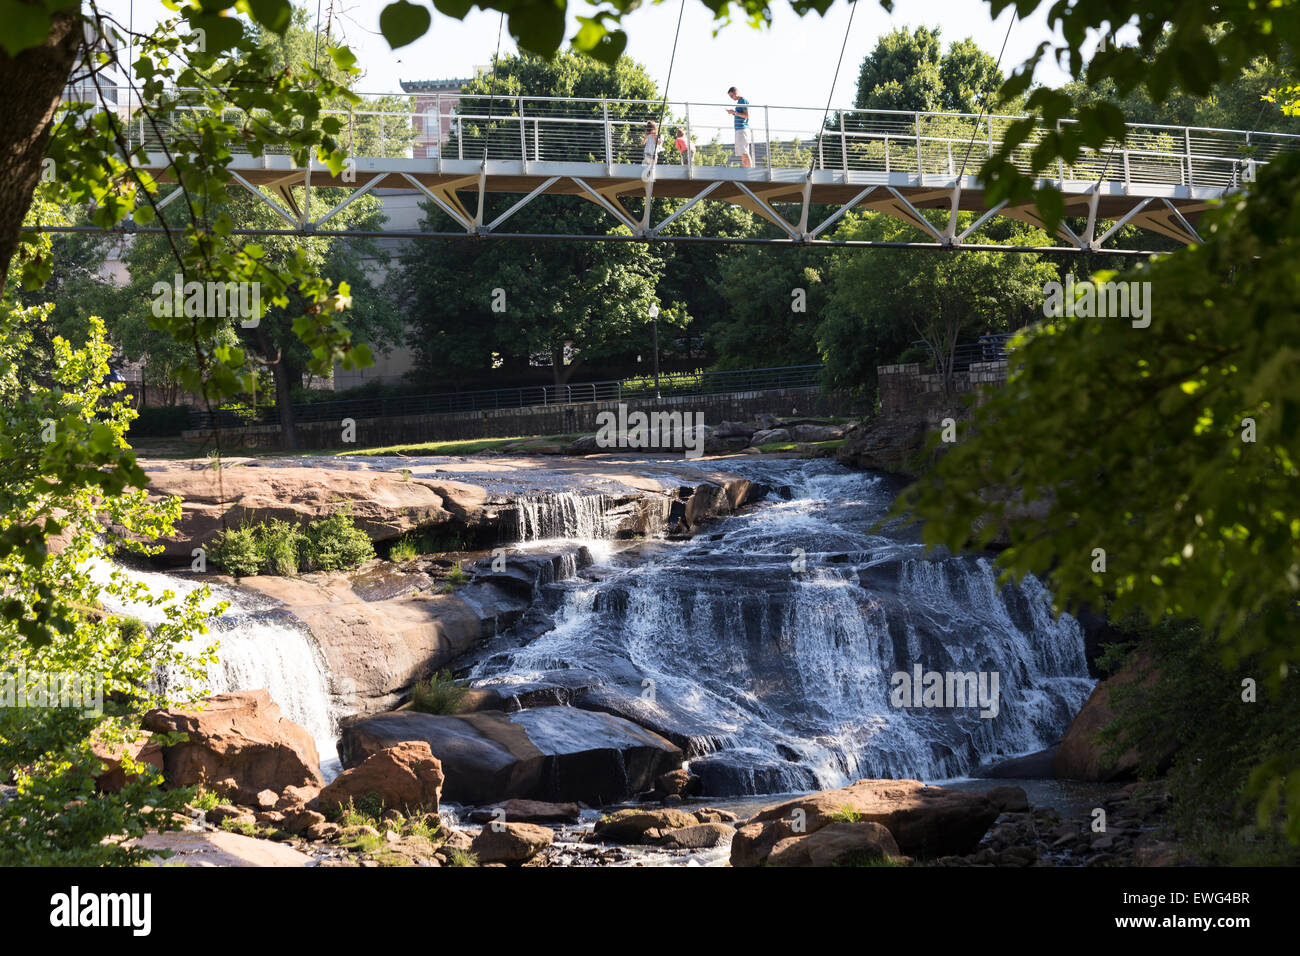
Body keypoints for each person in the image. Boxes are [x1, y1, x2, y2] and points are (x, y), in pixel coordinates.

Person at [726, 86, 752, 167]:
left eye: (731, 96)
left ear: (735, 92)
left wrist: (735, 113)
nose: (731, 98)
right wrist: (733, 113)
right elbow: (740, 115)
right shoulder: (739, 102)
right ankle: (746, 171)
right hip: (739, 130)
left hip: (742, 129)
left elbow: (747, 115)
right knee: (742, 153)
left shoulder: (743, 100)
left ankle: (750, 171)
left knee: (744, 152)